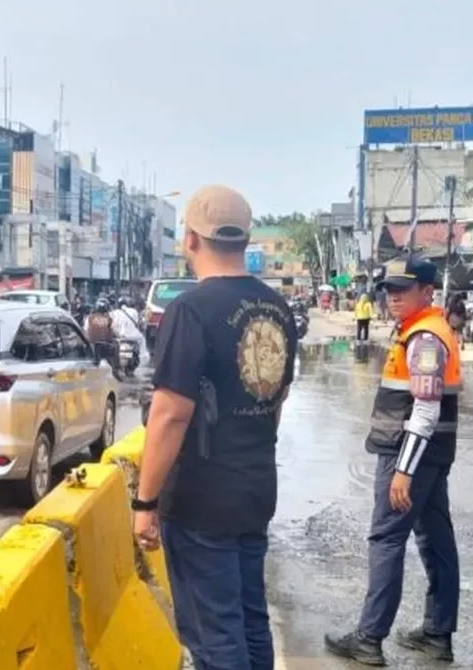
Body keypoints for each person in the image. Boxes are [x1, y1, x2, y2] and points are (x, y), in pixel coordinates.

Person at [132, 185, 297, 670]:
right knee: (249, 621)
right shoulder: (278, 309)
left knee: (214, 637)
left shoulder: (190, 309)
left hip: (202, 500)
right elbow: (277, 400)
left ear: (190, 239)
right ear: (245, 240)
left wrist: (145, 502)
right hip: (255, 488)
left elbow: (170, 413)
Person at [325, 255, 462, 666]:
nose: (394, 296)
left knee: (386, 540)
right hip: (431, 455)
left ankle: (369, 639)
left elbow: (425, 410)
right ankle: (437, 633)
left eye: (404, 289)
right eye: (389, 289)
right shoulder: (420, 330)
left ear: (426, 291)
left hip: (411, 454)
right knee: (435, 539)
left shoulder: (424, 338)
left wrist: (404, 470)